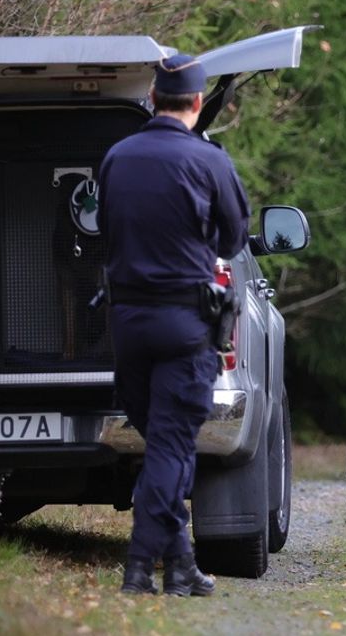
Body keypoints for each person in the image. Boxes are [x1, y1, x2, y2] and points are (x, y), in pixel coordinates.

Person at [97, 54, 250, 596]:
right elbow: (233, 239)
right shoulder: (207, 160)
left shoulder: (116, 157)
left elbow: (106, 232)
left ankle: (181, 563)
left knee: (168, 445)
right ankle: (140, 568)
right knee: (169, 447)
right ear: (195, 103)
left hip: (129, 323)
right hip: (185, 323)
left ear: (155, 99)